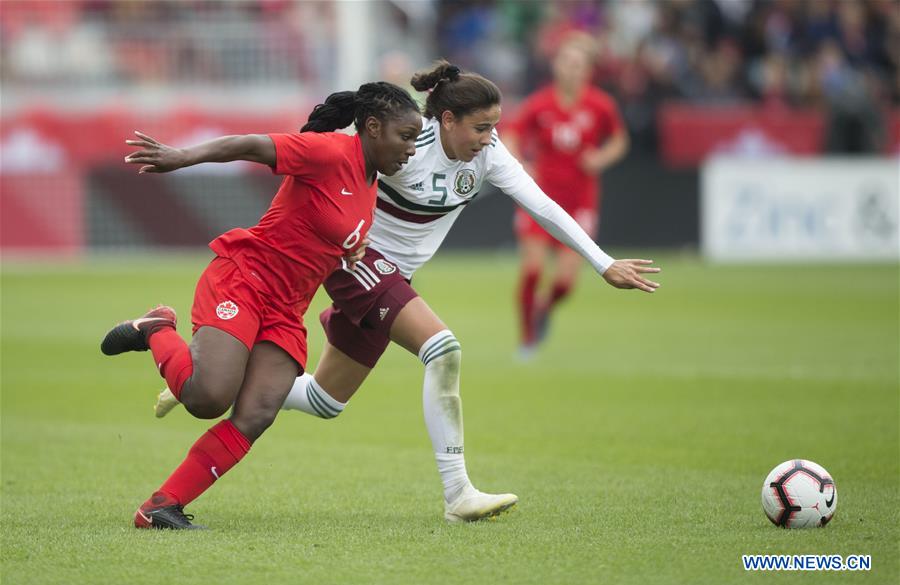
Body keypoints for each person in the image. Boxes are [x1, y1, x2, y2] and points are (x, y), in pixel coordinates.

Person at [156, 61, 659, 523]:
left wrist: (603, 262)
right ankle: (458, 494)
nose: (490, 138)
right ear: (445, 120)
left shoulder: (489, 157)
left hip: (395, 279)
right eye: (480, 127)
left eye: (495, 127)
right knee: (443, 348)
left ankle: (212, 372)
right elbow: (334, 163)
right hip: (357, 263)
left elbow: (543, 205)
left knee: (326, 401)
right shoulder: (405, 144)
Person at [101, 81, 422, 529]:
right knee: (208, 397)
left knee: (257, 413)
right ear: (372, 127)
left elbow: (326, 228)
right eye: (406, 136)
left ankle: (160, 506)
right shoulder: (329, 151)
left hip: (287, 309)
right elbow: (249, 144)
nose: (412, 148)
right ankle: (156, 328)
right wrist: (181, 157)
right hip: (245, 280)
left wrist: (348, 250)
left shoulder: (370, 182)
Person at [505, 32, 631, 358]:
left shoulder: (601, 105)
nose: (572, 69)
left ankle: (544, 307)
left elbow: (619, 141)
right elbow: (511, 134)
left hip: (580, 200)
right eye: (567, 62)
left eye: (579, 64)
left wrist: (600, 158)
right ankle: (527, 339)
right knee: (532, 270)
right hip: (540, 197)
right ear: (556, 65)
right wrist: (521, 164)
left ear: (588, 70)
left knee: (565, 283)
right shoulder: (540, 102)